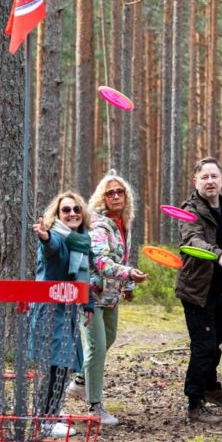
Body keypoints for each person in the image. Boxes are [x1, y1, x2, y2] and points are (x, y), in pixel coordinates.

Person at [64, 172, 148, 426]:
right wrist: (128, 274)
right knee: (97, 346)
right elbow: (100, 261)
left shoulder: (121, 223)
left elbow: (123, 257)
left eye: (120, 192)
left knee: (108, 338)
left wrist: (128, 285)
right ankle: (95, 406)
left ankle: (80, 382)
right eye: (110, 193)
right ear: (102, 198)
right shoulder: (99, 226)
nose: (116, 196)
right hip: (91, 295)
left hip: (111, 294)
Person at [175, 157, 222, 425]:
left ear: (221, 179)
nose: (210, 181)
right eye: (204, 177)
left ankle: (211, 387)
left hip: (219, 289)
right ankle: (195, 403)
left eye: (214, 176)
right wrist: (219, 255)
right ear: (195, 181)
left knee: (215, 343)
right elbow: (192, 240)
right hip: (196, 290)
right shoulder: (189, 210)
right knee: (203, 346)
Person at [32, 190, 97, 438]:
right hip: (50, 310)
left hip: (67, 310)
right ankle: (45, 420)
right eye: (66, 210)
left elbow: (83, 276)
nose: (72, 213)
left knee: (64, 364)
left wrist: (88, 304)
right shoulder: (57, 237)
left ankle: (52, 412)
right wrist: (45, 237)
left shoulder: (80, 241)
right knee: (55, 364)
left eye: (76, 209)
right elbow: (52, 248)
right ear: (57, 215)